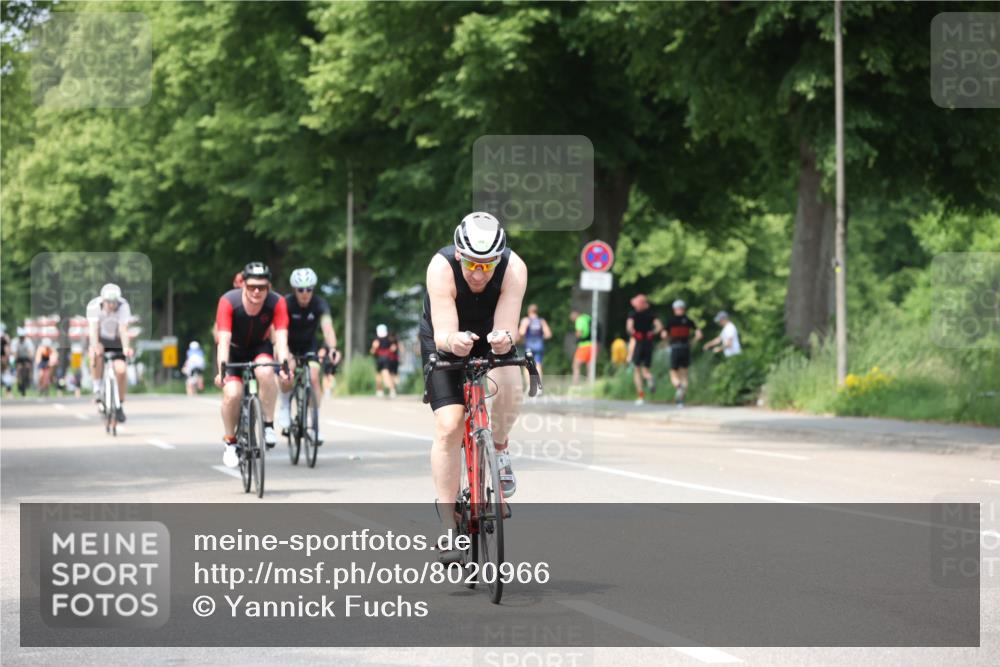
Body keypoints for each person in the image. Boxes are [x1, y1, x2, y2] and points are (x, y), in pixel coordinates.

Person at [420, 212, 527, 550]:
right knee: (450, 424)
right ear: (458, 254)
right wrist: (453, 342)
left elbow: (508, 327)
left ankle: (499, 449)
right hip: (446, 337)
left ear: (499, 258)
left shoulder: (514, 268)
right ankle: (448, 524)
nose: (479, 274)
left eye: (487, 265)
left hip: (491, 335)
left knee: (511, 384)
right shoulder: (441, 267)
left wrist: (503, 341)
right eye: (471, 264)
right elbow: (444, 333)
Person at [214, 262, 290, 468]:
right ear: (243, 285)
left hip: (259, 347)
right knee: (233, 393)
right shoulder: (228, 301)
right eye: (252, 286)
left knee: (266, 372)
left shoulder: (277, 302)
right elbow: (223, 340)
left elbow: (281, 338)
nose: (257, 291)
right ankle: (230, 442)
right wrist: (221, 370)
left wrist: (284, 366)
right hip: (234, 350)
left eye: (262, 287)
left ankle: (267, 425)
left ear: (268, 287)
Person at [278, 267, 339, 443]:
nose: (305, 293)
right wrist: (284, 352)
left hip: (308, 346)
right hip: (288, 344)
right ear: (294, 290)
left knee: (313, 378)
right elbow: (278, 330)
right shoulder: (286, 303)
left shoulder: (320, 304)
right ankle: (284, 406)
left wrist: (332, 348)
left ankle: (315, 423)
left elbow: (328, 328)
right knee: (288, 373)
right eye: (300, 290)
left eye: (309, 289)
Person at [87, 283, 133, 421]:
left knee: (121, 370)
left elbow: (123, 329)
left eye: (115, 302)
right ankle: (97, 388)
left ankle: (119, 405)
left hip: (116, 340)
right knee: (95, 353)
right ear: (103, 301)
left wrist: (126, 347)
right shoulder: (94, 306)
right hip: (100, 338)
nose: (112, 305)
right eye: (109, 302)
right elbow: (93, 329)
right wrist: (95, 345)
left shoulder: (123, 306)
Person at [661, 299, 702, 407]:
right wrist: (692, 342)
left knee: (673, 373)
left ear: (674, 309)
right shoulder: (688, 320)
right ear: (684, 309)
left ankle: (678, 386)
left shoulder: (670, 321)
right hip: (685, 348)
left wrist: (667, 342)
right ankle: (681, 401)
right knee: (684, 374)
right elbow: (699, 334)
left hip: (675, 348)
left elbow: (664, 335)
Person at [626, 294, 663, 405]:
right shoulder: (651, 314)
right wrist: (652, 333)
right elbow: (659, 326)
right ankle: (649, 378)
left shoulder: (633, 314)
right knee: (646, 369)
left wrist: (634, 334)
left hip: (638, 342)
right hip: (648, 342)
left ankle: (640, 395)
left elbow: (629, 327)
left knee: (637, 369)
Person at [518, 303, 552, 380]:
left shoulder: (526, 320)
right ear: (536, 311)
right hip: (539, 345)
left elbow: (521, 332)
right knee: (538, 364)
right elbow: (548, 334)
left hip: (529, 345)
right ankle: (539, 384)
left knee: (527, 365)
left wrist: (521, 339)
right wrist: (540, 337)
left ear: (529, 311)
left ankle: (529, 385)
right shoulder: (541, 321)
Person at [370, 324, 397, 398]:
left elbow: (372, 351)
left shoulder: (376, 340)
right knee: (384, 374)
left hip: (381, 358)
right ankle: (390, 390)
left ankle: (382, 390)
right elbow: (393, 348)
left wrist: (374, 348)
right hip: (386, 358)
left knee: (381, 374)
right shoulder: (389, 339)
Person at [570, 309, 593, 384]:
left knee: (575, 365)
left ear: (575, 314)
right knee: (589, 365)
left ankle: (575, 383)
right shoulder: (587, 317)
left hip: (583, 345)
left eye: (571, 316)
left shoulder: (579, 320)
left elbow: (579, 333)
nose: (571, 318)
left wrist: (576, 337)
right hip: (592, 344)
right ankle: (589, 382)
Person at [11, 328, 34, 396]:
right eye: (20, 337)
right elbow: (14, 353)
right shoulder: (15, 342)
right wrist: (16, 361)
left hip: (26, 357)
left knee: (28, 368)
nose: (22, 338)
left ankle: (27, 381)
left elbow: (30, 352)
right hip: (19, 357)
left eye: (23, 337)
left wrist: (29, 361)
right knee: (19, 369)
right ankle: (19, 383)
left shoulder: (28, 342)